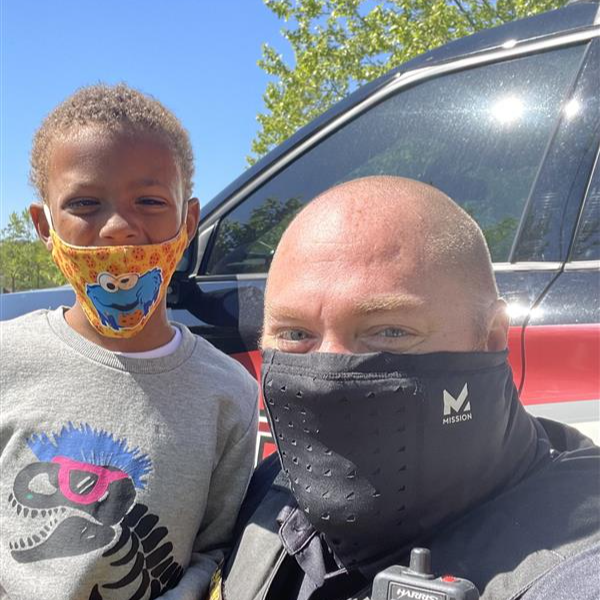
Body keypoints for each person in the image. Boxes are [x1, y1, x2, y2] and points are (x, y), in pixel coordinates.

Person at [221, 176, 599, 600]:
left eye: (390, 330)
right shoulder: (273, 486)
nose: (326, 371)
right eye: (294, 334)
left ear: (491, 338)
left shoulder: (574, 569)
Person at [0, 84, 258, 600]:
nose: (119, 228)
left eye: (149, 201)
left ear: (188, 222)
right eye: (85, 203)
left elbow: (214, 548)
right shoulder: (7, 357)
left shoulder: (229, 392)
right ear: (44, 226)